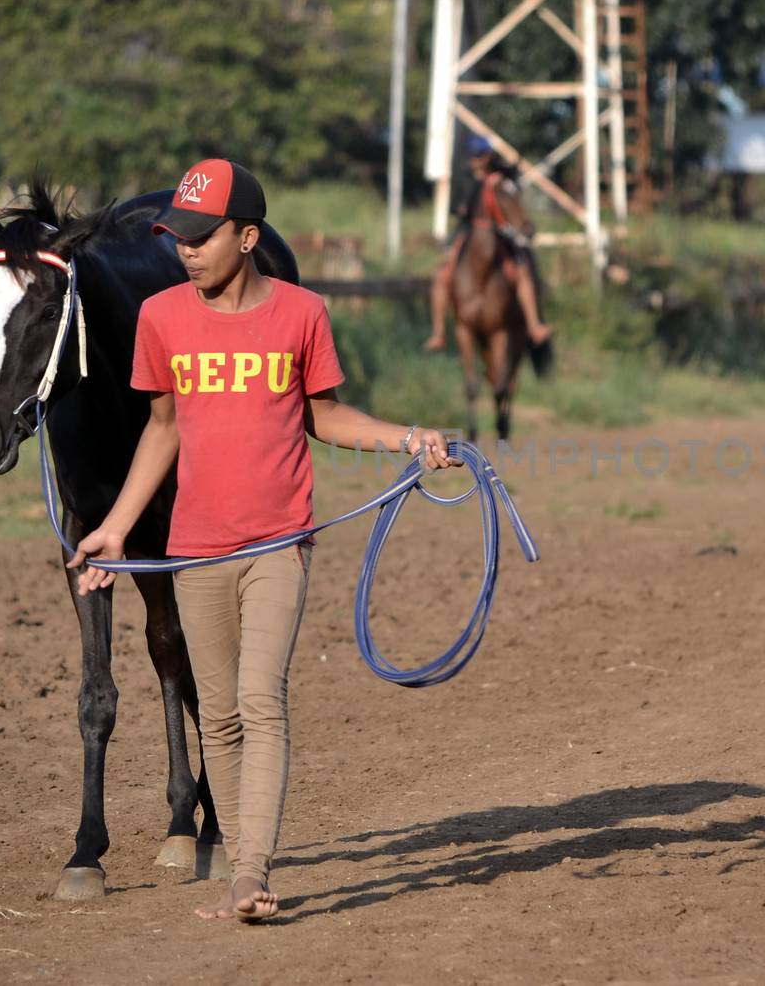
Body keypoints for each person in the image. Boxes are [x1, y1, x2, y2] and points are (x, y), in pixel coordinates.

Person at [67, 159, 460, 922]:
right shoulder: (162, 318)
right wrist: (115, 528)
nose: (184, 250)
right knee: (216, 713)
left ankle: (250, 870)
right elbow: (163, 429)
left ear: (247, 236)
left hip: (280, 541)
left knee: (260, 699)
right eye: (174, 237)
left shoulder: (301, 314)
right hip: (196, 548)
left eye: (199, 236)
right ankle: (238, 856)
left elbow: (327, 416)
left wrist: (407, 437)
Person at [423, 136, 552, 351]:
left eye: (481, 156)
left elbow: (512, 197)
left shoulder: (499, 178)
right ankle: (438, 332)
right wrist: (467, 203)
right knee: (441, 275)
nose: (477, 160)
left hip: (499, 232)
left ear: (488, 157)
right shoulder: (465, 178)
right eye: (474, 156)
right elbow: (456, 206)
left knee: (522, 269)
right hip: (466, 230)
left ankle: (534, 325)